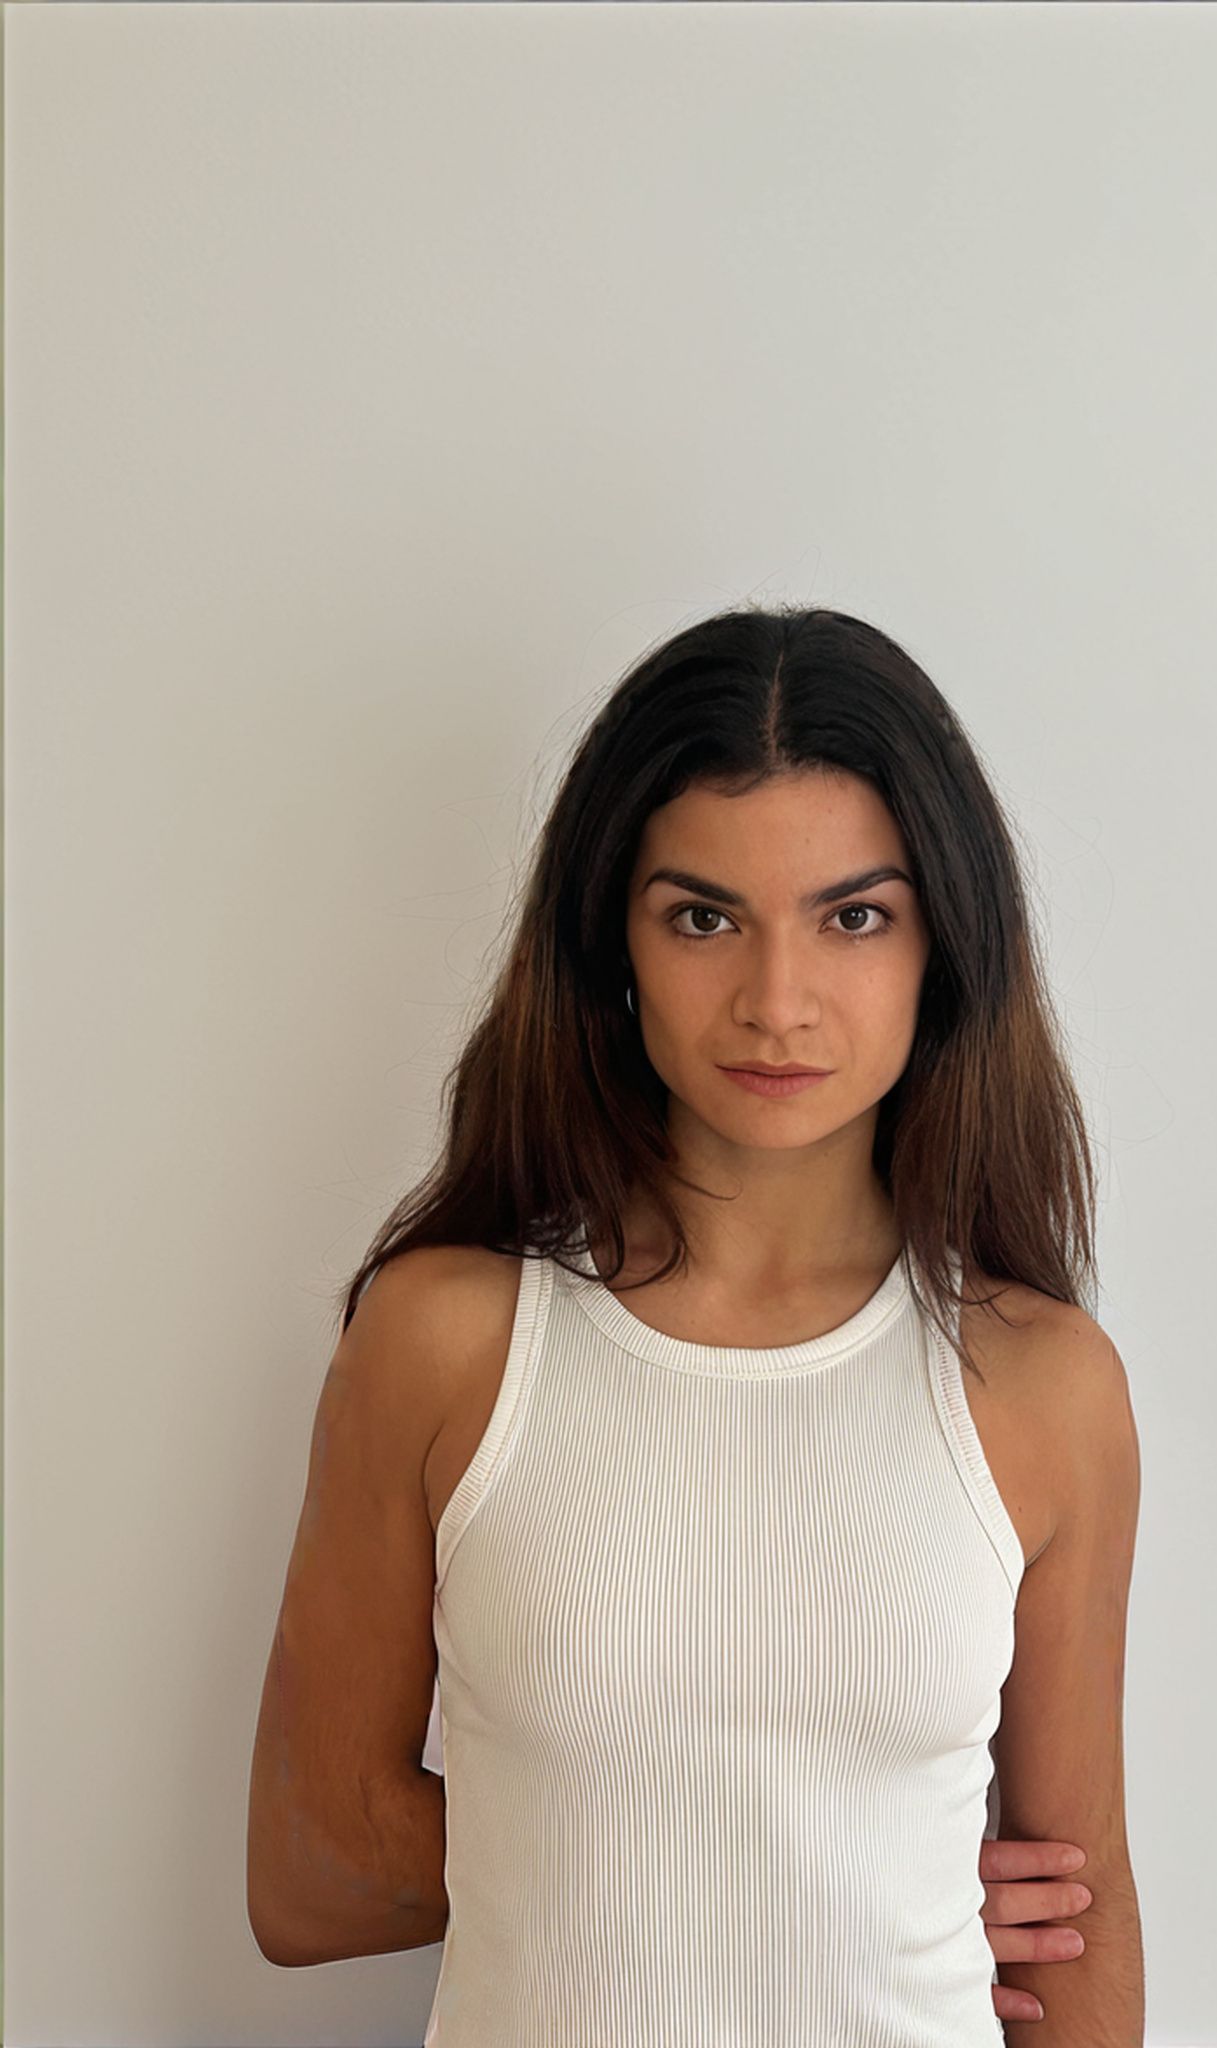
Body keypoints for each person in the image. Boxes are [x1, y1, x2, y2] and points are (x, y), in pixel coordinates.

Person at [247, 603, 1143, 2043]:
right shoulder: (445, 1345)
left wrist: (865, 1877)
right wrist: (831, 1879)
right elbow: (310, 1877)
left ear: (944, 944)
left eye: (854, 917)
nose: (776, 1003)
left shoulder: (1043, 1385)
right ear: (614, 940)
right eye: (703, 918)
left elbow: (1080, 1929)